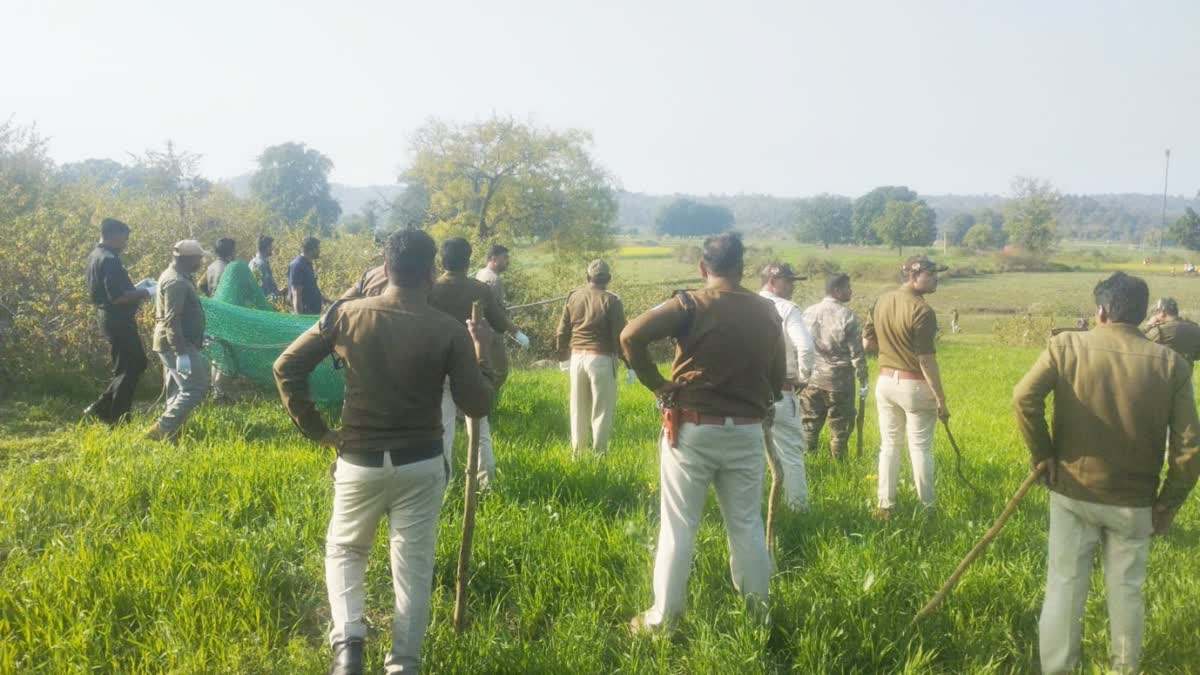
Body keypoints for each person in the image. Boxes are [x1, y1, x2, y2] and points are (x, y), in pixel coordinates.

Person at [274, 229, 496, 675]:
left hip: (359, 459)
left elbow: (286, 366)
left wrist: (317, 431)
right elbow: (477, 405)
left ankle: (348, 649)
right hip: (422, 461)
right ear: (430, 273)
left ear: (384, 266)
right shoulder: (449, 329)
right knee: (412, 567)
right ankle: (403, 665)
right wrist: (486, 353)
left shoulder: (345, 315)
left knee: (345, 550)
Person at [1013, 272, 1200, 674]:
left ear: (1100, 310)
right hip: (1135, 502)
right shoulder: (1171, 365)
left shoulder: (1066, 347)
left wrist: (1042, 454)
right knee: (1127, 592)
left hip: (1073, 492)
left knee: (1064, 587)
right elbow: (1188, 447)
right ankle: (1123, 669)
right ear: (1143, 314)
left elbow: (1023, 397)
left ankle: (1058, 668)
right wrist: (1169, 503)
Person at [622, 232, 784, 634]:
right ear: (742, 267)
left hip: (692, 428)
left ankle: (664, 620)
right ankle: (756, 618)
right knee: (745, 526)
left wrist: (656, 383)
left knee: (679, 527)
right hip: (746, 431)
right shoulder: (767, 312)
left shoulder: (690, 303)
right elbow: (777, 377)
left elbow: (630, 335)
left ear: (702, 267)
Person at [863, 255, 950, 518]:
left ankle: (885, 505)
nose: (936, 277)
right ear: (914, 276)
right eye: (931, 273)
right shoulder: (922, 310)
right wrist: (941, 399)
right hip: (914, 384)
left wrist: (891, 350)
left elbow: (867, 344)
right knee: (920, 448)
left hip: (885, 382)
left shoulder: (881, 300)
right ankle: (928, 508)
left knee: (889, 446)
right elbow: (925, 358)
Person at [429, 237, 516, 486]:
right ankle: (486, 482)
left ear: (442, 260)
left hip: (439, 365)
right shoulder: (480, 289)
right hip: (472, 364)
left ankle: (441, 484)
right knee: (479, 429)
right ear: (467, 262)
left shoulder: (431, 289)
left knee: (443, 430)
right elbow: (499, 324)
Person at [555, 259, 627, 457]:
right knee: (602, 410)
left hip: (577, 357)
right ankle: (599, 454)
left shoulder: (573, 296)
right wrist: (629, 364)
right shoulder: (612, 300)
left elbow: (562, 331)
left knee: (578, 408)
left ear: (588, 277)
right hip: (601, 358)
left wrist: (563, 357)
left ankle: (577, 453)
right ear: (609, 279)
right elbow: (620, 336)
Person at [83, 217, 152, 426]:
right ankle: (118, 417)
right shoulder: (110, 260)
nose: (125, 244)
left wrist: (138, 287)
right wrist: (148, 292)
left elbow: (113, 290)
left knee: (135, 363)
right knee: (131, 366)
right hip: (117, 318)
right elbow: (118, 297)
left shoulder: (96, 255)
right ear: (113, 236)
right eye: (124, 239)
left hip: (108, 317)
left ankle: (102, 407)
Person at [758, 262, 814, 508]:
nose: (792, 286)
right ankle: (798, 509)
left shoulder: (746, 304)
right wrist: (804, 376)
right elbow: (805, 346)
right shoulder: (787, 308)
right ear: (772, 281)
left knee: (751, 455)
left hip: (748, 392)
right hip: (780, 390)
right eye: (788, 281)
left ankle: (755, 509)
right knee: (790, 454)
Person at [146, 240, 211, 442]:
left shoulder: (179, 276)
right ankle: (162, 428)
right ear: (188, 259)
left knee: (178, 390)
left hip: (177, 341)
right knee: (195, 388)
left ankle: (172, 434)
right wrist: (181, 352)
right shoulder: (177, 282)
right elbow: (172, 320)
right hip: (176, 343)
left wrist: (198, 334)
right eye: (198, 257)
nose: (201, 261)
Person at [800, 273, 868, 462]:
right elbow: (857, 354)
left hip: (811, 379)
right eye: (848, 287)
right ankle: (839, 466)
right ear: (837, 291)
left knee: (809, 425)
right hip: (839, 382)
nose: (851, 290)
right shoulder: (848, 317)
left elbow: (802, 346)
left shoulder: (808, 312)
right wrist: (863, 380)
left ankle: (808, 463)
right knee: (840, 427)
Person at [475, 244, 528, 389]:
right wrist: (517, 333)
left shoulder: (481, 273)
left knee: (486, 371)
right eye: (505, 258)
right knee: (499, 372)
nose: (507, 261)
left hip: (483, 331)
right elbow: (496, 312)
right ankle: (487, 405)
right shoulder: (492, 279)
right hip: (492, 333)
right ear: (493, 259)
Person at [1142, 297, 1200, 366]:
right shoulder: (1195, 328)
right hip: (1186, 375)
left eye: (1156, 312)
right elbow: (1197, 355)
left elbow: (1139, 344)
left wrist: (1148, 325)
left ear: (1162, 313)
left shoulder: (1159, 331)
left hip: (1163, 375)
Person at [288, 236, 326, 315]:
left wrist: (325, 300)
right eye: (318, 248)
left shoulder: (307, 264)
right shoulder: (297, 265)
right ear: (312, 249)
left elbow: (310, 288)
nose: (319, 251)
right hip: (304, 314)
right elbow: (296, 294)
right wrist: (300, 318)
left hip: (312, 313)